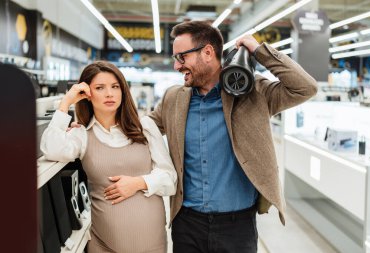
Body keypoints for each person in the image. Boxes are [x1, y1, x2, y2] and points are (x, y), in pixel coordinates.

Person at [148, 21, 318, 253]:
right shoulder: (173, 99)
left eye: (181, 57)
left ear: (207, 53)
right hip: (187, 224)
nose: (177, 66)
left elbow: (305, 88)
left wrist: (260, 52)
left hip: (237, 227)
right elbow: (141, 129)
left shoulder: (254, 92)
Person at [40, 61, 177, 253]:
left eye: (115, 87)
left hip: (151, 242)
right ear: (87, 94)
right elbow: (50, 148)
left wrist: (138, 183)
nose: (109, 93)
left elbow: (170, 178)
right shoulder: (82, 134)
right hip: (104, 243)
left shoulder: (144, 127)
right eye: (100, 88)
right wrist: (66, 102)